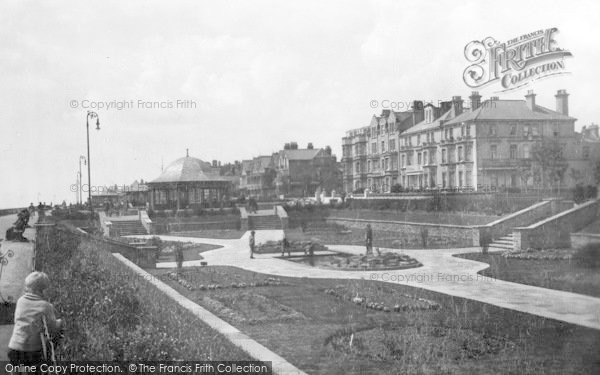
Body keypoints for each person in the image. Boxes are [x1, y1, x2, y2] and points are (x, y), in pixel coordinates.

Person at [7, 271, 64, 367]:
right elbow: (52, 328)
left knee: (19, 369)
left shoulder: (20, 301)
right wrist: (59, 322)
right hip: (31, 351)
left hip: (14, 347)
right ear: (42, 290)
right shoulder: (46, 306)